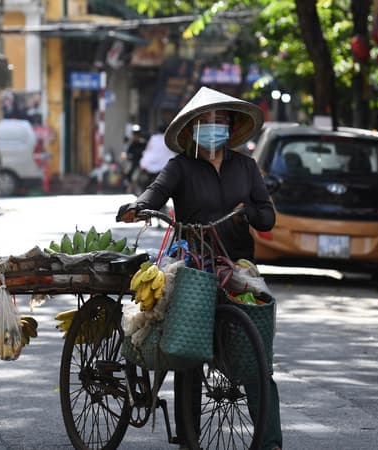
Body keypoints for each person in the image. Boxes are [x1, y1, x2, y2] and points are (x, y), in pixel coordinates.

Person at [117, 86, 282, 450]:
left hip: (238, 269)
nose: (213, 127)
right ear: (192, 130)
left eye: (220, 120)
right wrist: (138, 207)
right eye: (206, 121)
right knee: (189, 352)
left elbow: (268, 217)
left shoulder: (246, 167)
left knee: (256, 358)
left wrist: (247, 213)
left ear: (231, 127)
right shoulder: (181, 167)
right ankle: (189, 439)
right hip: (193, 268)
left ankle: (269, 441)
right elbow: (155, 192)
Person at [132, 123, 176, 194]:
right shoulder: (168, 139)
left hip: (151, 166)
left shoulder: (154, 138)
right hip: (164, 166)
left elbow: (148, 150)